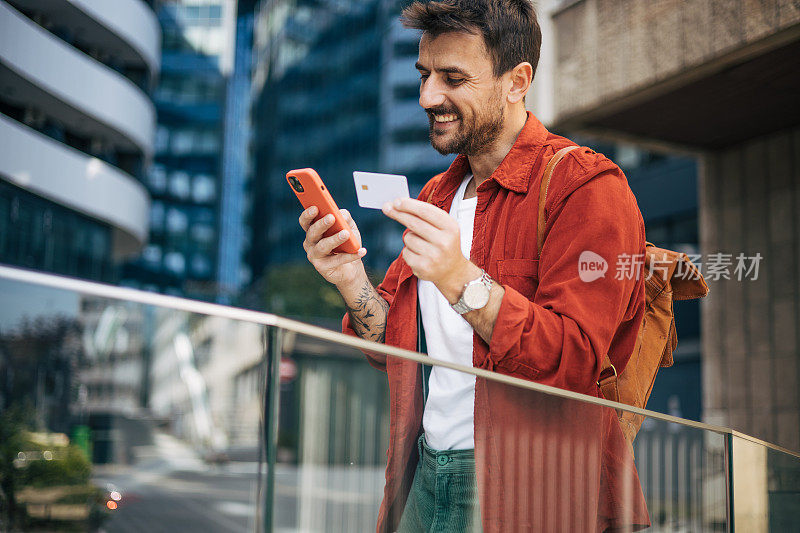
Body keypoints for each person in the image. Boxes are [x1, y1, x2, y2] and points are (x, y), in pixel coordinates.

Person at [299, 1, 650, 531]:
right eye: (423, 75)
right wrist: (349, 279)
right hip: (424, 476)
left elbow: (576, 361)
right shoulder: (439, 195)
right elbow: (392, 350)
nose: (427, 97)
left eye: (453, 78)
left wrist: (458, 278)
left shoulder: (586, 187)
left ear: (517, 81)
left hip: (534, 484)